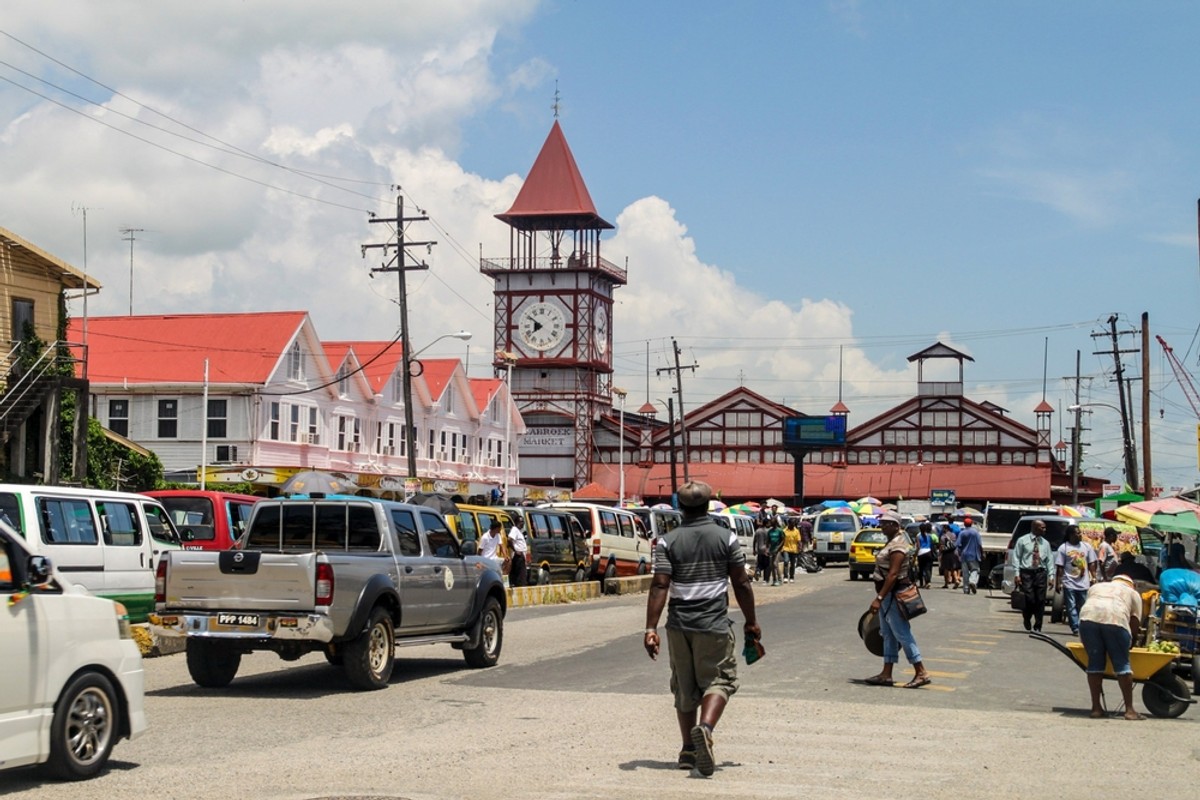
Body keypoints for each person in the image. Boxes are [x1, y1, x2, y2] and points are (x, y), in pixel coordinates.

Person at [644, 481, 759, 777]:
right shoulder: (727, 538)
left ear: (680, 508)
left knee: (684, 686)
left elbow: (659, 585)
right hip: (714, 624)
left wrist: (650, 628)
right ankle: (705, 729)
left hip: (679, 625)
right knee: (720, 681)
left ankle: (687, 750)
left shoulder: (667, 541)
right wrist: (751, 620)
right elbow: (741, 582)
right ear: (708, 505)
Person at [863, 511, 931, 689]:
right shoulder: (892, 542)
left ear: (895, 525)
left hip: (894, 595)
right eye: (882, 523)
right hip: (889, 596)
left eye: (886, 523)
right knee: (888, 634)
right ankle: (886, 673)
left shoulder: (899, 545)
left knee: (901, 633)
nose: (882, 526)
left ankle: (921, 671)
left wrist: (879, 598)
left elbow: (893, 575)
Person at [1078, 574, 1145, 720]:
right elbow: (1135, 622)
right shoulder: (1133, 594)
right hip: (1116, 620)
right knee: (1122, 665)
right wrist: (1130, 643)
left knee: (1094, 663)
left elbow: (1089, 605)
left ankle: (1096, 708)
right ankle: (1129, 710)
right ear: (1130, 584)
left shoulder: (1096, 587)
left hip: (1088, 620)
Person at [1054, 524, 1098, 635]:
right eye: (1077, 533)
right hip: (1069, 582)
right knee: (1071, 606)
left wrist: (1094, 576)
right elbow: (1060, 567)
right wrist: (1058, 582)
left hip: (1083, 583)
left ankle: (1082, 626)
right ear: (1071, 535)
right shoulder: (1063, 548)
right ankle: (1075, 627)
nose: (1080, 535)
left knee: (1083, 606)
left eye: (1080, 533)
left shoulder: (1087, 547)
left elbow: (1092, 563)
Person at [1013, 519, 1053, 632]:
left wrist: (1051, 576)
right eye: (1042, 527)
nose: (1045, 530)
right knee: (1029, 599)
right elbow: (1016, 557)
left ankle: (1038, 625)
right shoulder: (1022, 540)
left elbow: (1050, 560)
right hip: (1026, 573)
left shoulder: (1045, 543)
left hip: (1040, 573)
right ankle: (1027, 617)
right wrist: (1017, 574)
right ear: (1035, 528)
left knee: (1040, 600)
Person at [956, 516, 983, 595]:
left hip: (964, 555)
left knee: (965, 573)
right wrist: (982, 553)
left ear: (964, 524)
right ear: (971, 524)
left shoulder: (962, 533)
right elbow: (979, 544)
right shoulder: (975, 532)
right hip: (974, 555)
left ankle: (966, 589)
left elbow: (958, 544)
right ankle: (973, 581)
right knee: (975, 569)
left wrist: (959, 553)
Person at [506, 514, 529, 587]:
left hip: (521, 556)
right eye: (521, 522)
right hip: (518, 556)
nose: (522, 523)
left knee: (521, 576)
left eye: (523, 522)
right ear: (517, 522)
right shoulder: (514, 530)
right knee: (521, 577)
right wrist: (515, 550)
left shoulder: (519, 531)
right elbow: (509, 540)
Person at [915, 522, 935, 589]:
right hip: (928, 552)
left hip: (921, 553)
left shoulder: (918, 536)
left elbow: (918, 546)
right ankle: (928, 582)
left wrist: (915, 554)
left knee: (921, 569)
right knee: (927, 568)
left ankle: (921, 583)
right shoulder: (929, 536)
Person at [939, 524, 960, 589]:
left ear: (945, 529)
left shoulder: (943, 536)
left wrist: (940, 554)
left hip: (946, 554)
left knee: (946, 569)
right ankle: (956, 580)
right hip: (953, 553)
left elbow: (941, 546)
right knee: (953, 569)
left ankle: (946, 583)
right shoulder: (953, 535)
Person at [781, 518, 801, 582]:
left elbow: (799, 540)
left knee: (792, 564)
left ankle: (792, 577)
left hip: (794, 549)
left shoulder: (796, 531)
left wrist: (800, 547)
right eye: (792, 524)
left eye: (794, 524)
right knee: (786, 561)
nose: (793, 525)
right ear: (789, 523)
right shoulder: (784, 531)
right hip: (785, 548)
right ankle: (785, 576)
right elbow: (781, 540)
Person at [767, 517, 785, 586]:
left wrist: (778, 547)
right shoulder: (770, 531)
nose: (772, 524)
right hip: (772, 550)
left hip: (778, 550)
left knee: (775, 563)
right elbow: (768, 541)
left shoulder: (779, 531)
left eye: (773, 523)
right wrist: (767, 549)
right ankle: (774, 580)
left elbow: (783, 540)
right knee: (772, 565)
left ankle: (780, 579)